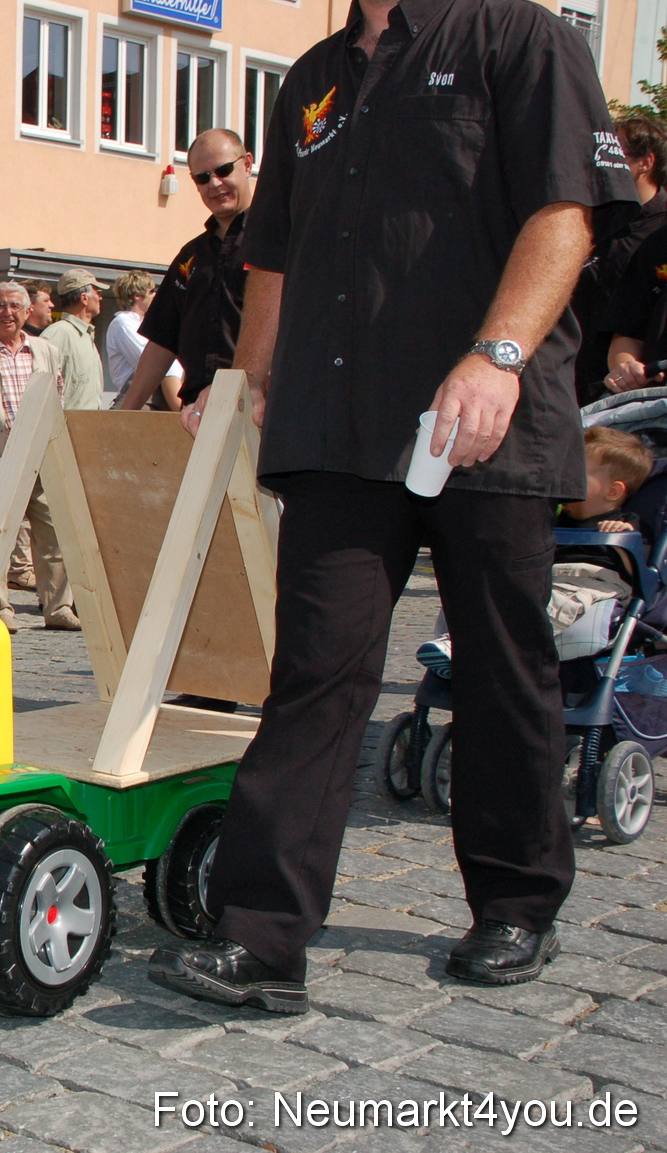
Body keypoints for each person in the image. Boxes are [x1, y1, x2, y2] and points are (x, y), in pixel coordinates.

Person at [149, 0, 636, 1014]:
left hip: (482, 416)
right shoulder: (312, 77)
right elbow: (273, 255)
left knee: (504, 670)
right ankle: (263, 935)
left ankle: (516, 900)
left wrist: (498, 355)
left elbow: (567, 211)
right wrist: (247, 388)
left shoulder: (520, 37)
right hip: (336, 428)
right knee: (313, 675)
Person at [418, 427, 654, 675]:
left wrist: (622, 536)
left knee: (548, 606)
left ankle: (465, 650)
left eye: (573, 474)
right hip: (545, 573)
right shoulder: (555, 516)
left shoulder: (627, 523)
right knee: (494, 590)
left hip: (593, 580)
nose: (561, 480)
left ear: (613, 491)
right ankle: (461, 641)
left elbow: (640, 572)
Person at [0, 282, 77, 632]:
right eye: (1, 306)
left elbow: (59, 401)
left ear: (26, 312)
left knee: (53, 530)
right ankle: (0, 608)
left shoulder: (47, 351)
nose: (8, 312)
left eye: (15, 306)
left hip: (41, 452)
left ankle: (59, 608)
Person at [117, 130, 253, 413]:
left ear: (248, 164)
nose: (214, 184)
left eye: (223, 170)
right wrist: (125, 412)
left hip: (260, 409)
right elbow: (162, 341)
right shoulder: (191, 256)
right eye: (202, 178)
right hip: (197, 414)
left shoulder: (278, 243)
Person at [572, 116, 667, 404]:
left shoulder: (657, 229)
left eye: (617, 154)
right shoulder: (594, 218)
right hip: (582, 375)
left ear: (646, 162)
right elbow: (628, 328)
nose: (604, 163)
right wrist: (624, 365)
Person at [106, 271, 184, 409]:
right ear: (137, 296)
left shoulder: (144, 323)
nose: (155, 295)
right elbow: (154, 360)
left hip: (154, 396)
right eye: (151, 291)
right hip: (139, 397)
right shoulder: (122, 322)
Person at [40, 269, 108, 412]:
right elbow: (38, 387)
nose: (100, 298)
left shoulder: (86, 335)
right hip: (65, 429)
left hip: (87, 428)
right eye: (97, 292)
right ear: (84, 298)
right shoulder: (58, 333)